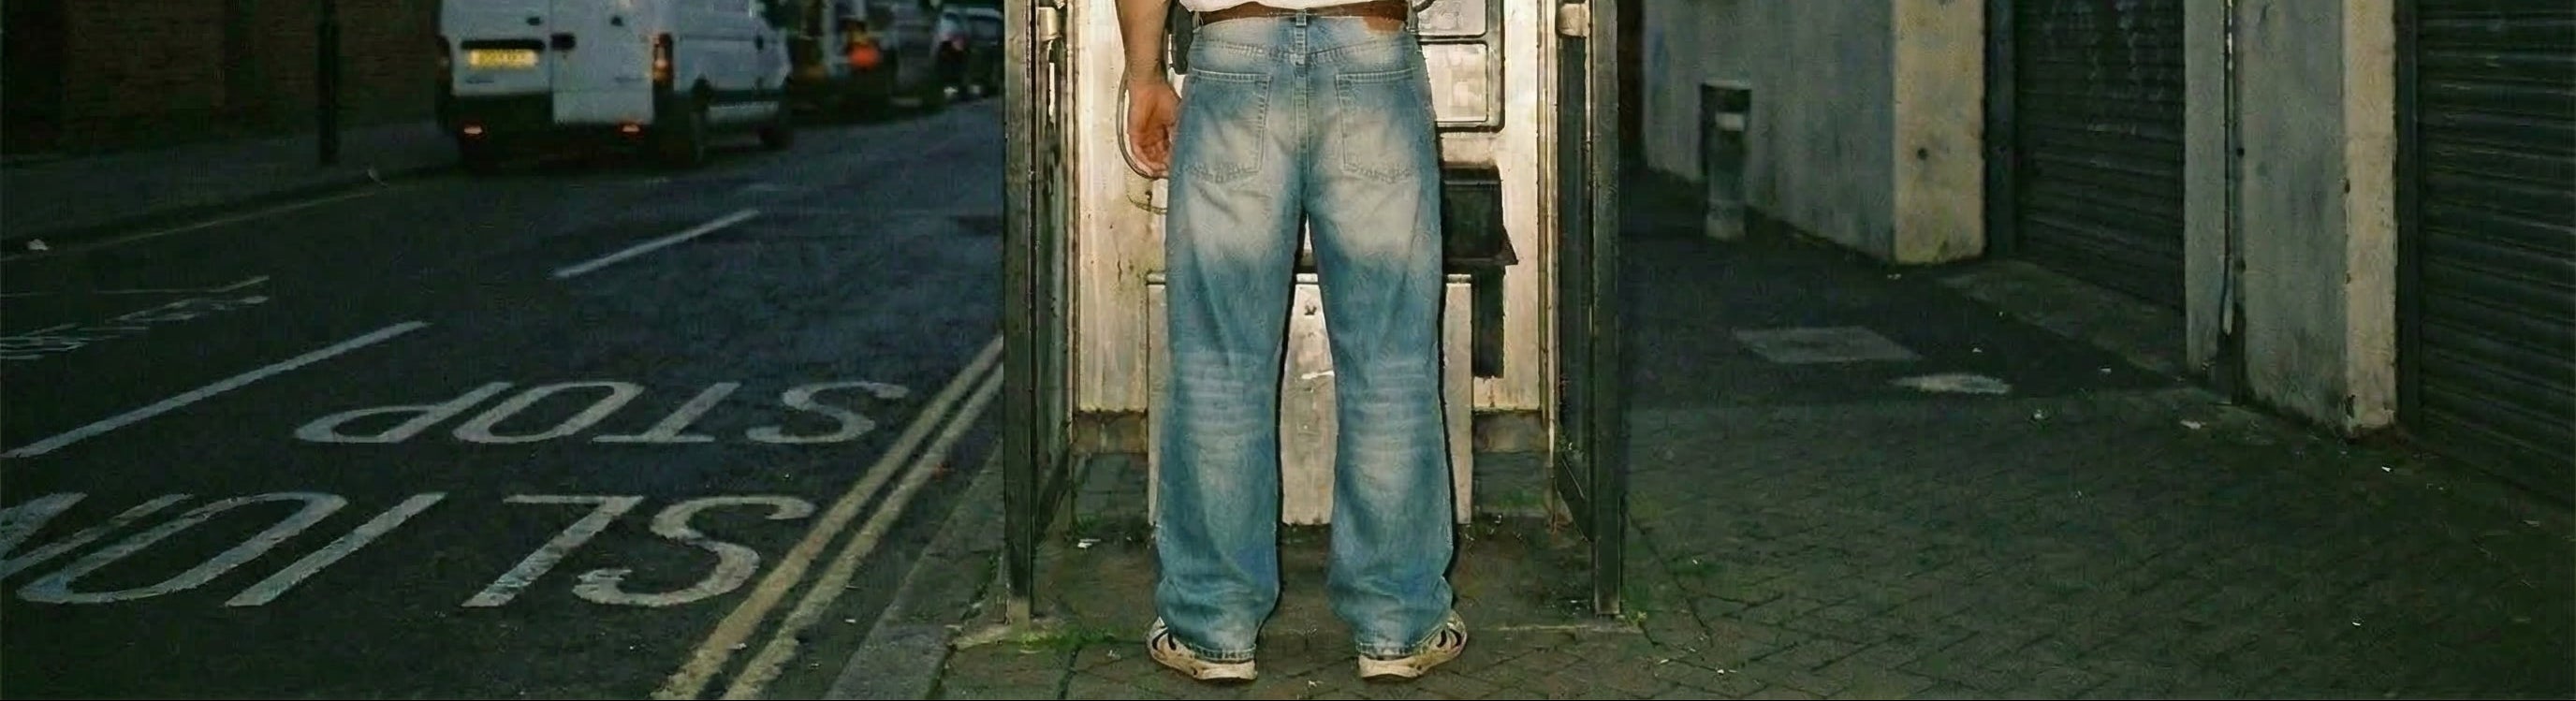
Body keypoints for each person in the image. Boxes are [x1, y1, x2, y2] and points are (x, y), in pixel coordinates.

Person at [1115, 0, 1467, 685]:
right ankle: (1398, 623)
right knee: (1390, 362)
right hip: (1373, 44)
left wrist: (1145, 74)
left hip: (1233, 51)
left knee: (1220, 364)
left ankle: (1212, 626)